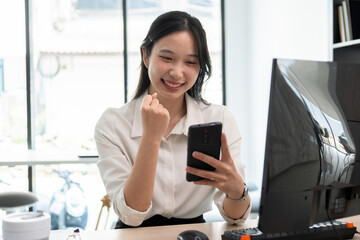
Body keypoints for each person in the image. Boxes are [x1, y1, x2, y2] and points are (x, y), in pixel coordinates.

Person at [94, 10, 251, 228]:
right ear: (146, 56)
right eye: (167, 58)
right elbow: (132, 215)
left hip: (193, 232)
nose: (177, 73)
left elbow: (236, 217)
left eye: (190, 62)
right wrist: (151, 137)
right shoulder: (113, 124)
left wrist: (236, 192)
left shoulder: (220, 118)